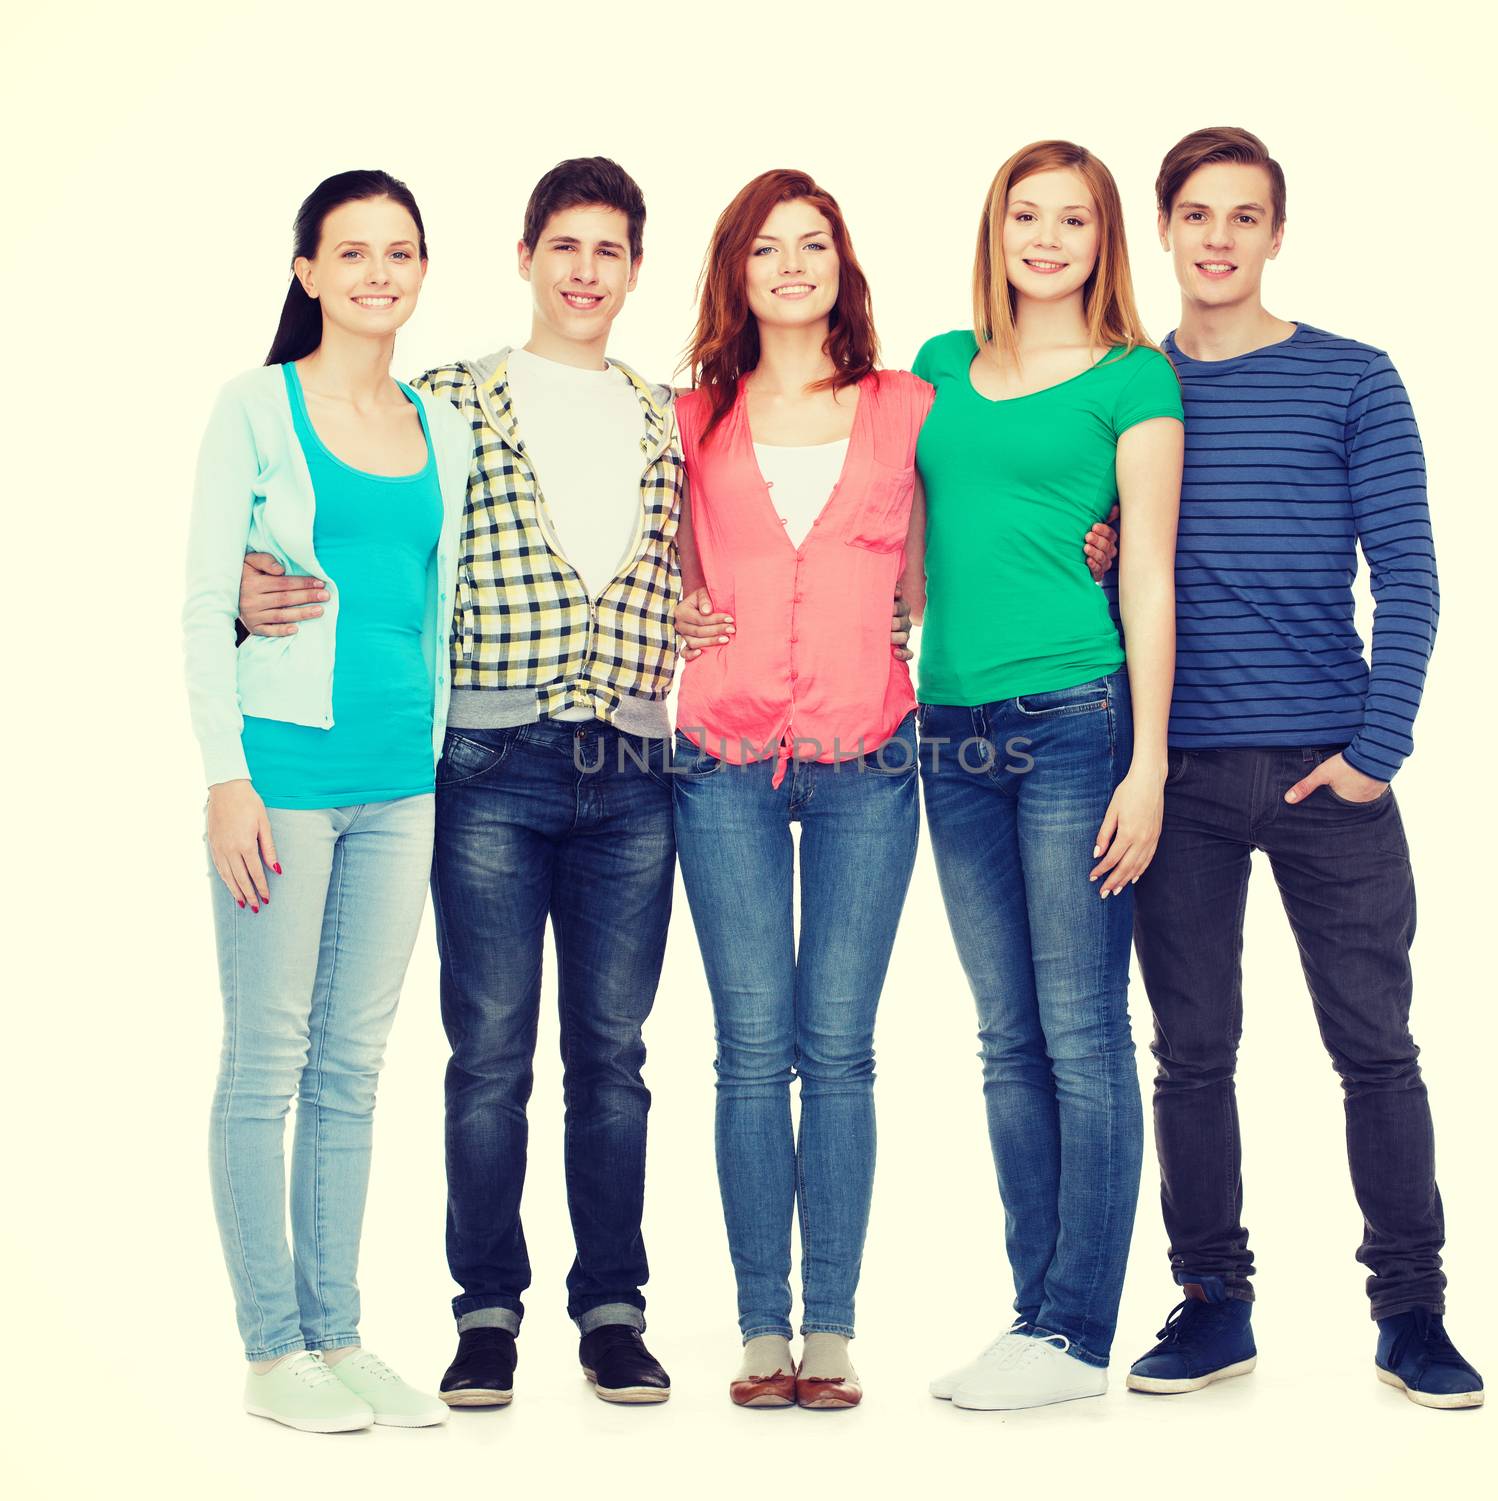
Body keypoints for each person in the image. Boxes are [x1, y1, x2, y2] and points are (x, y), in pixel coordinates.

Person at [239, 158, 684, 1407]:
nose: (586, 270)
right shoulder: (446, 400)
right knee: (487, 1051)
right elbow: (336, 520)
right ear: (528, 259)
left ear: (636, 269)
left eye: (610, 249)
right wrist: (238, 589)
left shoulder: (669, 416)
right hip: (486, 765)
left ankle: (611, 1308)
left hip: (635, 767)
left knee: (613, 1053)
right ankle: (485, 1311)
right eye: (565, 246)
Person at [1119, 126, 1482, 1410]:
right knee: (1190, 1051)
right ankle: (1214, 1303)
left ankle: (1412, 1312)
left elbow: (1413, 576)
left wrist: (1375, 754)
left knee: (1374, 1048)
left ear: (1277, 235)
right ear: (1161, 228)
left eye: (1244, 216)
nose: (1217, 238)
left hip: (1331, 776)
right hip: (1178, 778)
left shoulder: (1352, 380)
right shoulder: (1126, 389)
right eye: (1195, 214)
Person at [183, 170, 472, 1433]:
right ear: (305, 271)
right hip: (285, 779)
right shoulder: (254, 405)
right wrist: (224, 776)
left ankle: (339, 1333)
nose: (376, 272)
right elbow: (206, 600)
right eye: (349, 252)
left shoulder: (434, 420)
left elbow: (435, 606)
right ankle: (270, 1349)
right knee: (267, 1061)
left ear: (421, 271)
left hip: (402, 781)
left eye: (398, 252)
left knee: (353, 1067)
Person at [910, 139, 1183, 1412]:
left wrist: (1149, 764)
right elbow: (898, 541)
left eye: (1072, 218)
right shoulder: (937, 368)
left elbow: (1145, 572)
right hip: (946, 732)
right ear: (996, 228)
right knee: (1005, 1037)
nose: (1046, 237)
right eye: (1025, 214)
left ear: (1101, 238)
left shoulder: (1135, 380)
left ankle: (1076, 1330)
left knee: (1079, 1031)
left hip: (1076, 717)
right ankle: (1034, 1316)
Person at [669, 170, 928, 1410]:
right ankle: (758, 1328)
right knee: (745, 1049)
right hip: (718, 760)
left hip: (868, 761)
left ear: (841, 262)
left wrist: (1090, 544)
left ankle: (829, 1327)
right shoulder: (688, 414)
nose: (789, 263)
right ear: (735, 270)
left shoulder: (906, 405)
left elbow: (959, 547)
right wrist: (669, 606)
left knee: (839, 1049)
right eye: (764, 246)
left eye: (810, 243)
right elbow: (645, 556)